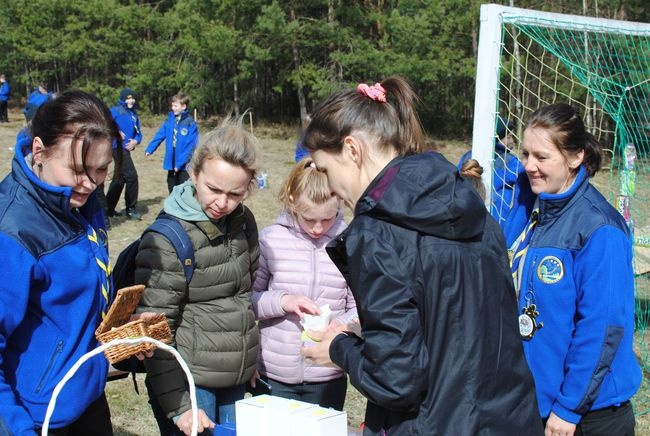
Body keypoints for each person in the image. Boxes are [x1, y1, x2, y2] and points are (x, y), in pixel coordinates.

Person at [300, 77, 543, 435]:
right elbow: (455, 328)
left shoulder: (378, 232)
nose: (330, 187)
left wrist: (339, 348)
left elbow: (396, 381)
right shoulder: (473, 209)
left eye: (325, 170)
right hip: (506, 419)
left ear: (352, 150)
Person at [503, 103, 641, 436]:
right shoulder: (528, 206)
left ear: (576, 157)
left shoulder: (599, 228)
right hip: (533, 404)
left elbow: (603, 326)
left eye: (541, 157)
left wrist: (569, 408)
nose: (529, 166)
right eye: (524, 154)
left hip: (585, 415)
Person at [0, 90, 121, 434]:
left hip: (87, 396)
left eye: (101, 170)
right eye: (78, 170)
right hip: (36, 416)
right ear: (39, 150)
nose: (90, 183)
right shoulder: (12, 232)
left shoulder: (84, 202)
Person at [134, 118, 261, 436]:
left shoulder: (244, 221)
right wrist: (180, 407)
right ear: (194, 174)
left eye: (235, 194)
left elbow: (245, 294)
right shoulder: (168, 238)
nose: (222, 203)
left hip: (235, 376)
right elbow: (156, 331)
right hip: (190, 382)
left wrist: (250, 360)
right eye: (213, 189)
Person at [252, 157, 356, 410]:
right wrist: (283, 301)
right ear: (292, 202)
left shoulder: (350, 243)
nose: (318, 229)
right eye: (309, 219)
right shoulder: (270, 240)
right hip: (274, 374)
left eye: (328, 219)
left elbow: (361, 307)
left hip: (327, 374)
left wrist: (340, 325)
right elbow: (247, 299)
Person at [458, 116, 523, 223]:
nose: (512, 141)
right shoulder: (510, 162)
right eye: (509, 137)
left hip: (466, 215)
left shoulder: (468, 156)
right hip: (496, 220)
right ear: (497, 137)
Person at [145, 93, 199, 193]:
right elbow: (159, 135)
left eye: (175, 106)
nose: (173, 108)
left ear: (183, 106)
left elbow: (190, 146)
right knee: (172, 187)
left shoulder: (190, 123)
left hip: (184, 164)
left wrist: (179, 164)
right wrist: (150, 149)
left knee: (184, 189)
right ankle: (172, 206)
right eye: (172, 105)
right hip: (172, 160)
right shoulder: (169, 121)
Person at [106, 87, 142, 220]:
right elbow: (105, 122)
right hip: (117, 148)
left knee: (119, 179)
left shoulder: (134, 115)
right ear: (122, 99)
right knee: (132, 176)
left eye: (132, 98)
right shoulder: (115, 111)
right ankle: (131, 209)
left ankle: (108, 209)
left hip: (126, 149)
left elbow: (139, 134)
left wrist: (135, 142)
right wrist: (116, 131)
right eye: (128, 98)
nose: (131, 101)